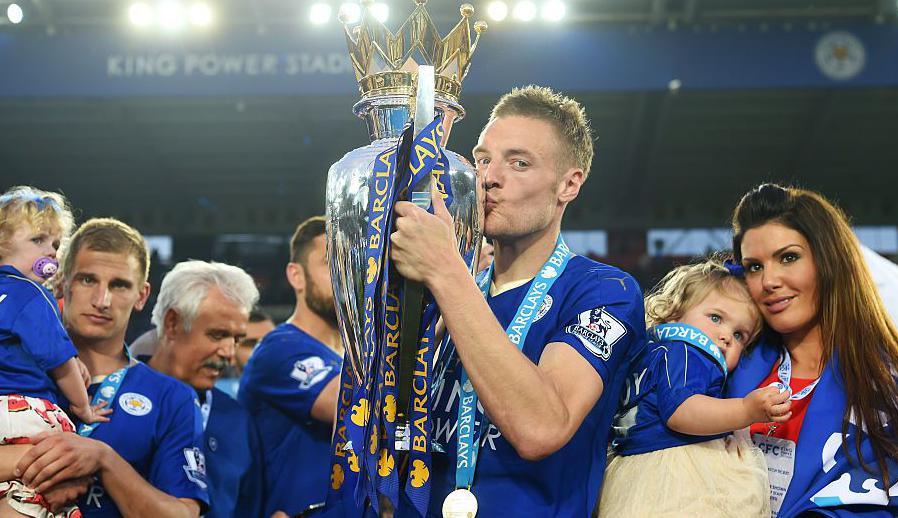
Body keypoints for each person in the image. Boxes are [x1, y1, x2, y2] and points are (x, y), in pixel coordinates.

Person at [389, 86, 645, 516]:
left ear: (569, 184)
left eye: (519, 163)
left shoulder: (603, 291)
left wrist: (447, 271)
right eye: (483, 158)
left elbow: (541, 427)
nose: (489, 177)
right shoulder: (448, 296)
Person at [728, 184, 898, 516]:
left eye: (788, 258)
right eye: (754, 267)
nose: (768, 280)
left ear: (829, 260)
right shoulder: (726, 368)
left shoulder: (895, 380)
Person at [3, 218, 209, 518]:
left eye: (119, 285)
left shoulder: (170, 397)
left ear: (142, 296)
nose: (102, 300)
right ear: (60, 282)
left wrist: (104, 460)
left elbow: (182, 515)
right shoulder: (12, 371)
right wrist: (49, 468)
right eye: (87, 280)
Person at [598, 258, 787, 517]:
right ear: (676, 312)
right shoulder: (688, 352)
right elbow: (683, 411)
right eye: (716, 318)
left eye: (739, 335)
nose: (725, 336)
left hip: (630, 474)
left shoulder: (652, 351)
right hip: (674, 473)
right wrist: (746, 409)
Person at [0, 188, 109, 518]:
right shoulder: (32, 293)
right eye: (38, 240)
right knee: (55, 485)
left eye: (56, 244)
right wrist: (83, 406)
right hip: (27, 412)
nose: (51, 252)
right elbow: (60, 361)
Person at [238, 216, 343, 517]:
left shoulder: (356, 357)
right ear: (297, 276)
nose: (344, 274)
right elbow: (352, 406)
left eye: (352, 262)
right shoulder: (279, 348)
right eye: (330, 262)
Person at [146, 260, 264, 518]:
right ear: (172, 323)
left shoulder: (237, 421)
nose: (229, 353)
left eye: (237, 339)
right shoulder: (117, 397)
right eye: (217, 335)